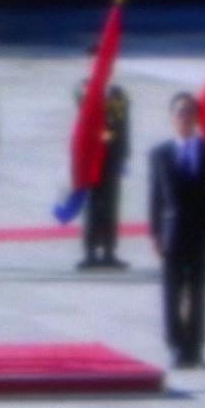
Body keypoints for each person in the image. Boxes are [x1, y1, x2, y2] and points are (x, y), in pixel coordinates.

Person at [149, 92, 205, 369]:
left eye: (189, 112)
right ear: (172, 118)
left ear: (198, 118)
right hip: (172, 230)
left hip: (202, 230)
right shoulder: (160, 153)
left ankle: (196, 348)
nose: (184, 117)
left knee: (199, 290)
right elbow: (155, 196)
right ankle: (176, 345)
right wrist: (155, 233)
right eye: (179, 112)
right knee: (172, 290)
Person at [77, 82, 132, 270]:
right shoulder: (85, 88)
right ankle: (90, 252)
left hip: (112, 157)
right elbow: (81, 108)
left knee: (111, 205)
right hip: (92, 157)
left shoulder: (118, 94)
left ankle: (109, 251)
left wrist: (124, 155)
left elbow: (124, 125)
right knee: (93, 205)